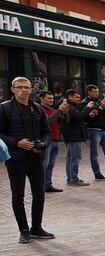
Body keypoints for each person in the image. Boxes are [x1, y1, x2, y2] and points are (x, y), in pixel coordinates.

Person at [0, 77, 55, 243]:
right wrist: (17, 143)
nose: (23, 90)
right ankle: (23, 230)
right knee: (18, 195)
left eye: (27, 87)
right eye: (20, 87)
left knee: (39, 193)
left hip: (36, 157)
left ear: (31, 90)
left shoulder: (37, 108)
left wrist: (43, 145)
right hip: (15, 159)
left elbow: (47, 132)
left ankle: (36, 228)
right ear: (13, 89)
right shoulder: (5, 108)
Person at [38, 90, 68, 193]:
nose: (51, 100)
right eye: (49, 98)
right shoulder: (39, 109)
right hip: (46, 140)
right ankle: (40, 186)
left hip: (55, 140)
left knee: (50, 164)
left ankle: (47, 185)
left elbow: (65, 121)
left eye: (52, 98)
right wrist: (59, 111)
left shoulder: (52, 109)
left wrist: (65, 112)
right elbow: (47, 121)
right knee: (44, 164)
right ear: (42, 98)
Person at [59, 89, 90, 187]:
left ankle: (71, 178)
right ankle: (73, 179)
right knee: (75, 158)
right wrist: (87, 108)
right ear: (69, 97)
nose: (79, 99)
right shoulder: (69, 107)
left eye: (79, 97)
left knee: (70, 157)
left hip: (73, 134)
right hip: (74, 135)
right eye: (76, 97)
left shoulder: (72, 106)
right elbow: (78, 117)